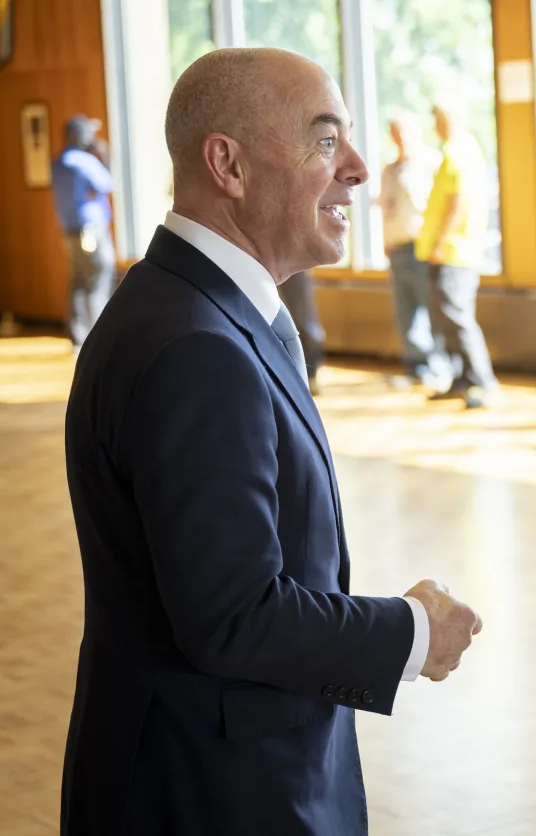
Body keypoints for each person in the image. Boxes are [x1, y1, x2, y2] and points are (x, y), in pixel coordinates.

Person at [60, 47, 483, 835]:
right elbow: (233, 614)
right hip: (212, 792)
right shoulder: (198, 348)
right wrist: (413, 630)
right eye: (325, 141)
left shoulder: (193, 308)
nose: (356, 168)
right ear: (229, 164)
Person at [415, 98, 498, 410]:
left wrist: (440, 242)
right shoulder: (466, 149)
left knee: (457, 317)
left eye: (438, 117)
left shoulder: (456, 152)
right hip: (453, 251)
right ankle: (461, 380)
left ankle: (482, 380)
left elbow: (457, 201)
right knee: (447, 319)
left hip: (452, 252)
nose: (435, 123)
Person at [377, 114, 447, 388]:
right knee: (405, 308)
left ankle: (439, 365)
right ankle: (415, 365)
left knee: (430, 307)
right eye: (394, 133)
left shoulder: (431, 164)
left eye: (404, 132)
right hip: (397, 247)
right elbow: (386, 208)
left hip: (423, 248)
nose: (400, 138)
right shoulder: (389, 170)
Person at [50, 114, 115, 349]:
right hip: (91, 231)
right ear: (77, 136)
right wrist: (103, 154)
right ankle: (99, 338)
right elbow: (108, 183)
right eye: (89, 133)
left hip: (69, 231)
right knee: (98, 277)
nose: (92, 138)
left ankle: (78, 337)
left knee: (77, 281)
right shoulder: (83, 161)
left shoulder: (58, 162)